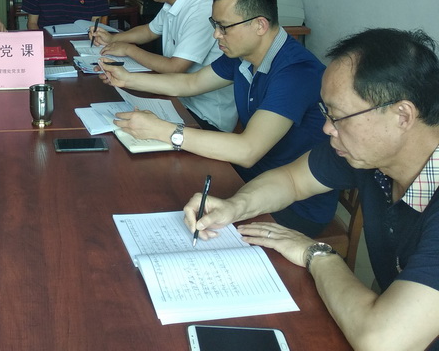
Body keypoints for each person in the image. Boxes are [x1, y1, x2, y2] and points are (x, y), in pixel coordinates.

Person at [184, 28, 439, 350]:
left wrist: (318, 253)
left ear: (402, 115)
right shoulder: (370, 154)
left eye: (339, 116)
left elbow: (383, 341)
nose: (327, 128)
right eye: (326, 113)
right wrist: (235, 206)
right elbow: (292, 180)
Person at [100, 0, 336, 235]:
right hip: (247, 180)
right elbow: (191, 83)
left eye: (224, 27)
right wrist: (127, 79)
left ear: (259, 25)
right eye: (215, 24)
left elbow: (248, 150)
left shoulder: (296, 72)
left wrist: (162, 131)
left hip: (293, 204)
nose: (216, 35)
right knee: (153, 191)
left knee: (174, 218)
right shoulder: (243, 54)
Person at [89, 0, 237, 132]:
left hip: (204, 115)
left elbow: (175, 67)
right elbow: (149, 30)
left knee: (126, 128)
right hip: (176, 96)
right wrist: (113, 38)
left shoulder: (201, 8)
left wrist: (129, 50)